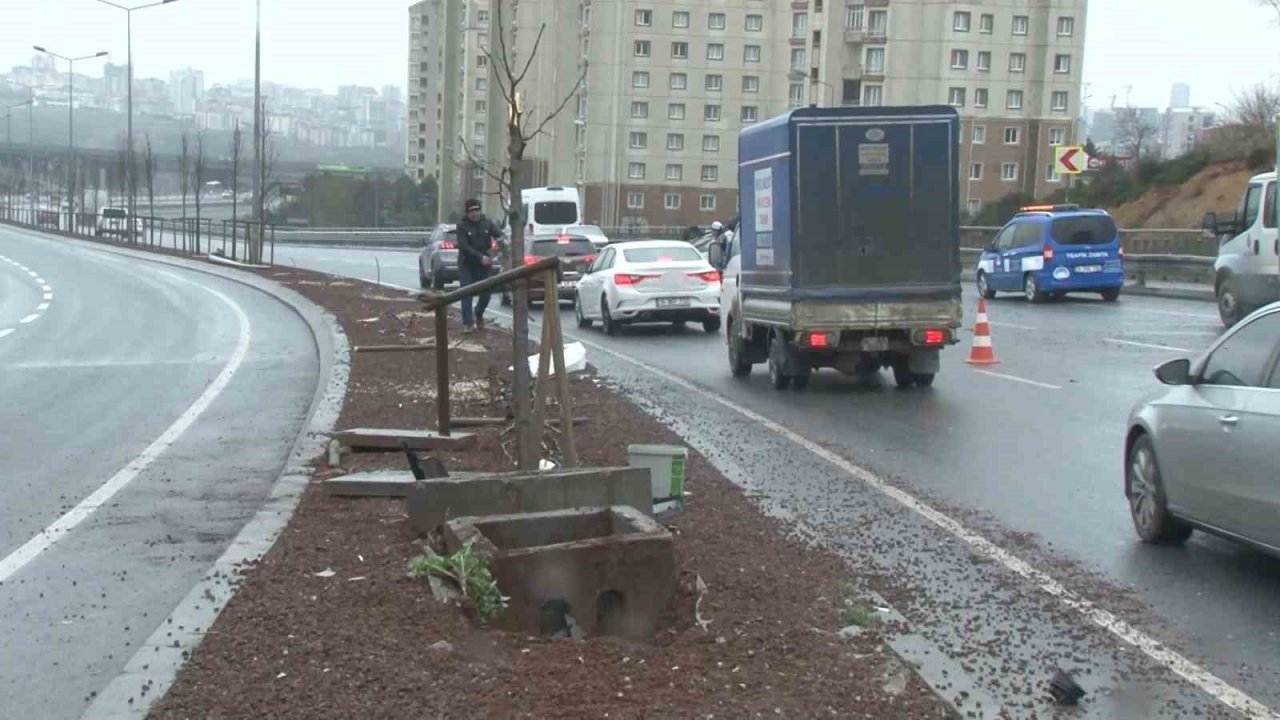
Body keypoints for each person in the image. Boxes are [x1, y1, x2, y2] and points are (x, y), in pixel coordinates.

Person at [456, 198, 504, 333]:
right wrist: (479, 257)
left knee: (486, 294)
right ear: (467, 213)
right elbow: (464, 246)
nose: (475, 213)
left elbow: (499, 236)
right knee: (466, 293)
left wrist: (498, 249)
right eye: (471, 211)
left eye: (477, 210)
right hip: (467, 264)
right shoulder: (462, 226)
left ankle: (478, 313)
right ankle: (467, 323)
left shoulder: (487, 223)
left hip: (484, 265)